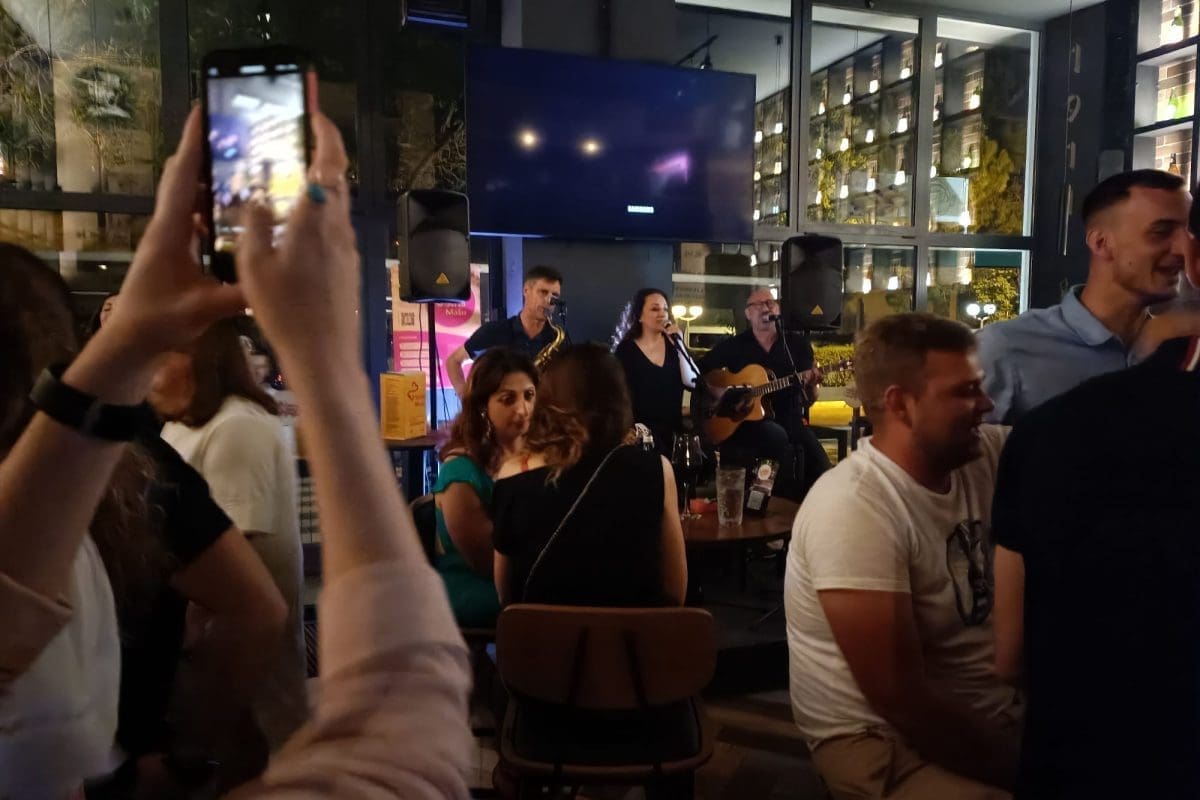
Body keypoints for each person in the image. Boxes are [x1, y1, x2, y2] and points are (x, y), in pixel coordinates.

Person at [1, 106, 471, 798]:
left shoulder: (220, 433)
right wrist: (321, 352)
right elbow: (400, 745)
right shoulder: (145, 455)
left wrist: (127, 346)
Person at [989, 202, 1200, 799]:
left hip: (1098, 757)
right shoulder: (1011, 355)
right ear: (1099, 242)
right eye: (1159, 230)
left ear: (1194, 259)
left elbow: (1012, 655)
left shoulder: (1060, 430)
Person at [785, 313, 1022, 799]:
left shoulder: (983, 456)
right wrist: (1028, 771)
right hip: (883, 742)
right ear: (900, 404)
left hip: (992, 714)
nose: (987, 403)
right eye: (965, 392)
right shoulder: (852, 505)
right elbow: (902, 700)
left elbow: (1079, 443)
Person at [149, 318, 308, 753]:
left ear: (199, 360)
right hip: (196, 664)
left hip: (241, 676)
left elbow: (235, 559)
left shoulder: (238, 425)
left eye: (160, 354)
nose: (146, 368)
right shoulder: (182, 423)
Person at [977, 169, 1191, 423]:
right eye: (1161, 232)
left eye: (1190, 234)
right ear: (1100, 243)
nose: (1184, 249)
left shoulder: (1184, 347)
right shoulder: (1004, 347)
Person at [491, 343, 687, 608]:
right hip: (630, 634)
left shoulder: (512, 475)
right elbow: (676, 592)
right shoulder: (658, 469)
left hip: (543, 635)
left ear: (549, 402)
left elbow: (506, 597)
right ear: (619, 399)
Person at [434, 348, 537, 628]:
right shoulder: (460, 473)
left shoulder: (542, 455)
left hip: (527, 577)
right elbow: (487, 564)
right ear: (482, 406)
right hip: (477, 588)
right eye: (508, 399)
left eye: (529, 395)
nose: (523, 409)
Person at [697, 287, 830, 501]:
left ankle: (804, 512)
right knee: (776, 436)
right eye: (758, 304)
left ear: (778, 310)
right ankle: (772, 504)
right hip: (747, 423)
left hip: (791, 419)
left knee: (822, 469)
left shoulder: (796, 346)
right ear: (748, 313)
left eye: (770, 303)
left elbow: (810, 399)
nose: (765, 308)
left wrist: (812, 386)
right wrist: (720, 393)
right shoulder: (733, 346)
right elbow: (699, 373)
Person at [446, 265, 564, 397]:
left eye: (555, 296)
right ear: (526, 291)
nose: (549, 300)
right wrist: (465, 398)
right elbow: (453, 361)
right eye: (543, 292)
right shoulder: (493, 332)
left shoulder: (557, 339)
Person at [612, 287, 701, 456]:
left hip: (672, 431)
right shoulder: (627, 350)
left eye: (665, 309)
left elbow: (692, 381)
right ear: (639, 316)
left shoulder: (673, 346)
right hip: (641, 432)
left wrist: (680, 345)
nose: (662, 314)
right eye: (654, 309)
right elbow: (616, 393)